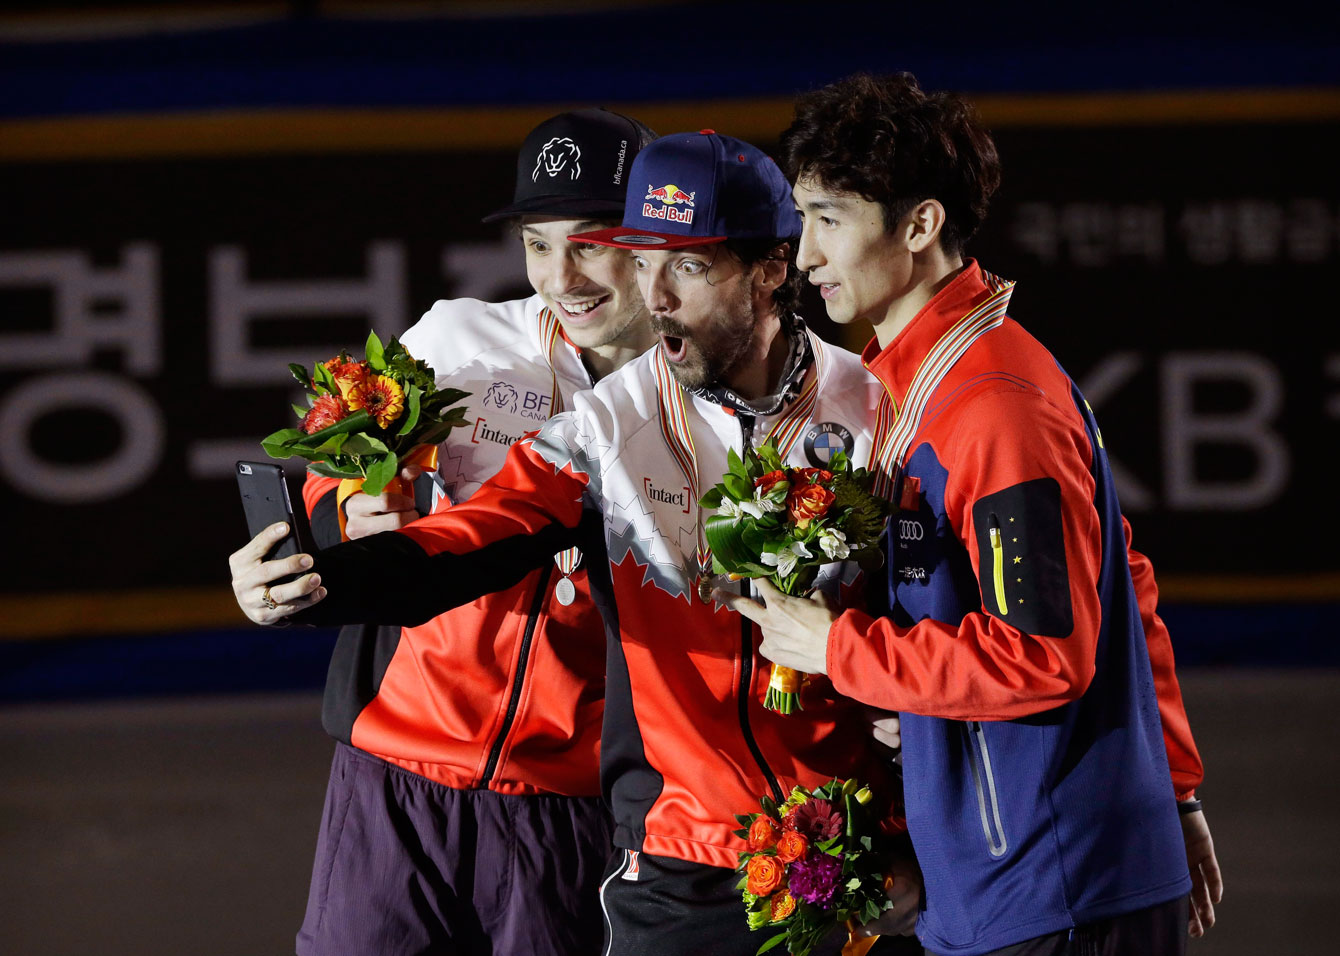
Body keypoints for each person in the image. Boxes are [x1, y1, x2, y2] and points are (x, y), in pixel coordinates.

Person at [235, 130, 918, 954]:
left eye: (682, 265)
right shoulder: (572, 404)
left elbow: (923, 609)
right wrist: (319, 572)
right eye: (539, 246)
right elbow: (464, 528)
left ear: (769, 268)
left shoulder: (875, 409)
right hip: (534, 815)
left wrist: (901, 751)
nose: (644, 292)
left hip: (741, 834)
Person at [722, 73, 1223, 956]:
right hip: (1016, 874)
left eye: (830, 219)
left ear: (919, 226)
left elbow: (1043, 656)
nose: (804, 257)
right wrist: (1176, 791)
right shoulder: (926, 378)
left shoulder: (992, 404)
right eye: (804, 220)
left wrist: (839, 652)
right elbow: (1127, 582)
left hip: (1053, 883)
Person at [229, 107, 658, 956]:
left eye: (591, 242)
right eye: (539, 245)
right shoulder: (458, 342)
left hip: (567, 813)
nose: (562, 276)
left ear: (653, 240)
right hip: (394, 783)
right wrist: (344, 520)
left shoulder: (697, 404)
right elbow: (336, 471)